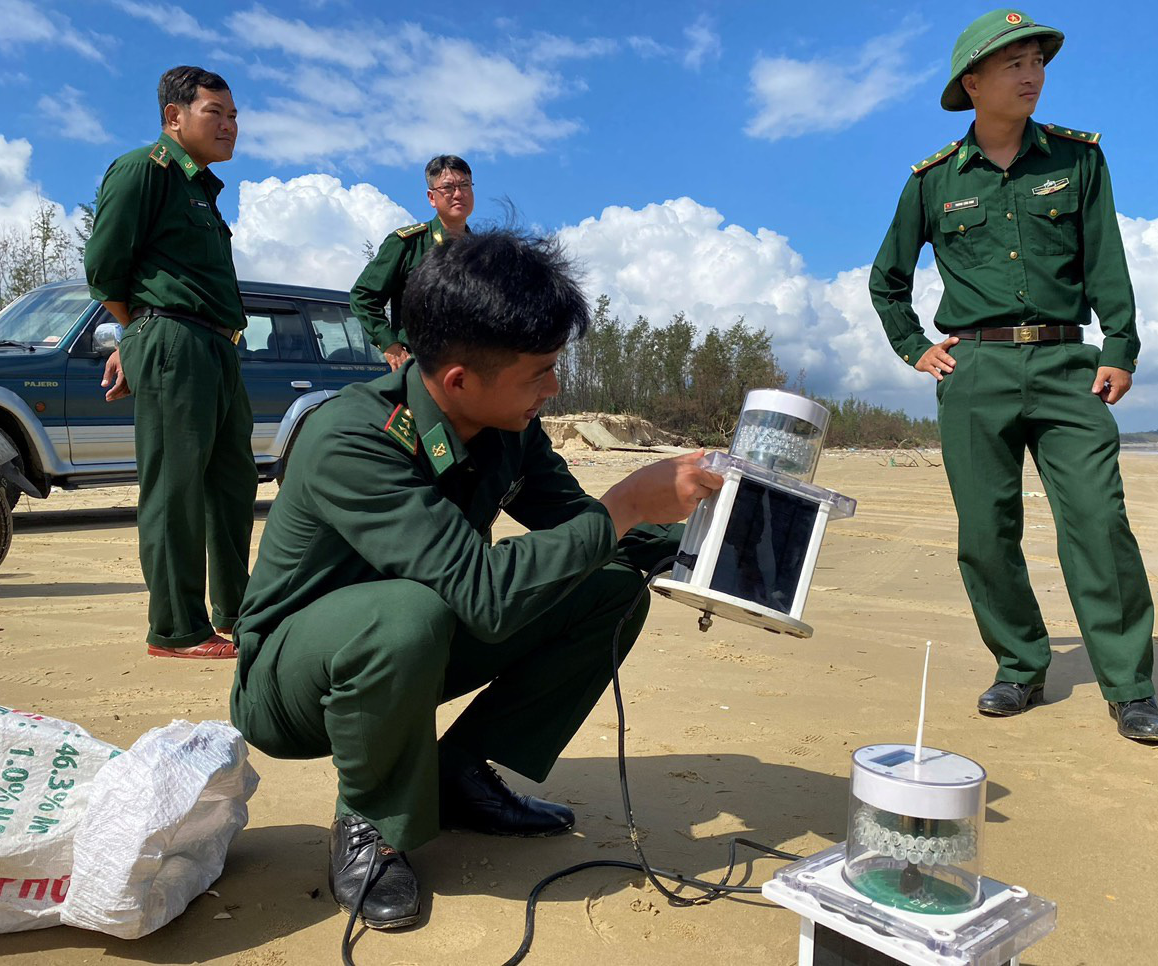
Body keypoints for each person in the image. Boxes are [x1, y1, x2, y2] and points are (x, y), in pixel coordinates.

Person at [229, 229, 722, 929]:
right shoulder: (355, 437)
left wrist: (708, 552)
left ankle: (458, 772)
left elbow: (577, 528)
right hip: (296, 682)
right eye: (539, 373)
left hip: (417, 646)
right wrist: (628, 503)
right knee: (407, 615)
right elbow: (484, 596)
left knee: (607, 588)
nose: (552, 389)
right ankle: (372, 822)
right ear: (459, 378)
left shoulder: (508, 425)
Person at [869, 9, 1158, 744]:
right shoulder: (933, 182)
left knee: (1099, 522)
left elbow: (1107, 260)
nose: (1033, 74)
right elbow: (887, 282)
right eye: (1014, 64)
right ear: (972, 83)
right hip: (975, 370)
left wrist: (1119, 347)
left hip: (1071, 365)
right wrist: (917, 348)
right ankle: (1018, 666)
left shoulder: (1078, 161)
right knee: (987, 531)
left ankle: (1129, 686)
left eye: (1038, 61)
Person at [85, 66, 256, 660]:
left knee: (233, 484)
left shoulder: (202, 188)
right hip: (174, 340)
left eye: (234, 116)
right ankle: (177, 628)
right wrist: (140, 341)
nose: (230, 125)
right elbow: (105, 268)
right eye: (216, 113)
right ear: (173, 117)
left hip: (216, 344)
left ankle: (239, 612)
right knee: (174, 488)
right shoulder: (143, 170)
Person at [350, 155, 474, 370]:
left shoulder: (485, 254)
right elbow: (363, 296)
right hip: (422, 368)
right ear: (431, 197)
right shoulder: (408, 244)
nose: (458, 194)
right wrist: (390, 345)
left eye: (464, 185)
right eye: (448, 187)